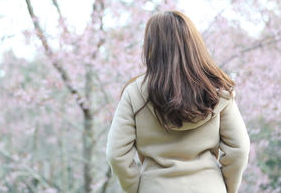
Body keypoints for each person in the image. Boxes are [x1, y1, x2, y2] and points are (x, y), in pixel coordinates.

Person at [105, 11, 250, 193]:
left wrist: (137, 188)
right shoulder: (217, 91)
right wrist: (225, 187)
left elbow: (116, 155)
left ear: (151, 47)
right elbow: (240, 149)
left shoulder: (134, 93)